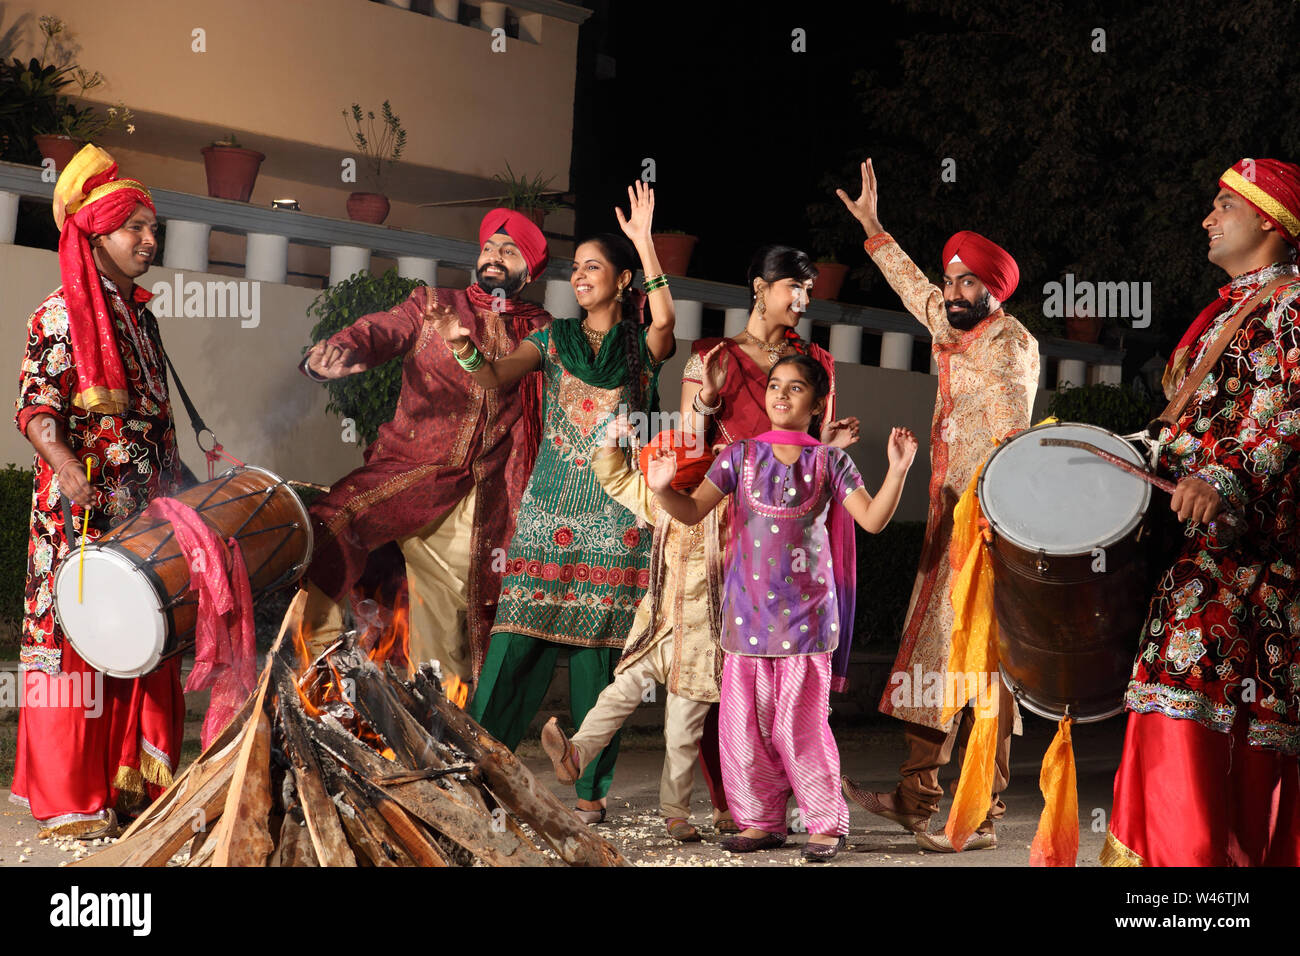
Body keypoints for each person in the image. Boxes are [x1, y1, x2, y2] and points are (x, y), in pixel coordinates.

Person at [434, 183, 675, 824]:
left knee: (599, 658)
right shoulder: (552, 339)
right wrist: (461, 345)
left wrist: (647, 244)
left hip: (614, 519)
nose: (579, 276)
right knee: (514, 643)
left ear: (623, 280)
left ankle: (590, 793)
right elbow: (491, 376)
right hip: (547, 512)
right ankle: (478, 771)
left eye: (593, 266)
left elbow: (666, 324)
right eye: (576, 268)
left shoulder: (637, 352)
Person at [835, 158, 1039, 851]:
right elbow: (915, 290)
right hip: (946, 529)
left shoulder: (1013, 346)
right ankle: (916, 800)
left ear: (994, 294)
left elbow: (1012, 443)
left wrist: (992, 530)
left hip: (991, 535)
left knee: (986, 671)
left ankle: (980, 814)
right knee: (928, 658)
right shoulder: (954, 324)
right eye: (951, 281)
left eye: (967, 283)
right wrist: (874, 229)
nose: (952, 292)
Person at [1102, 158, 1300, 867]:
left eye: (1223, 205)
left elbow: (1283, 414)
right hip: (1204, 551)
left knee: (1203, 712)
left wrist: (1226, 482)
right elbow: (1192, 428)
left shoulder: (1292, 305)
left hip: (1256, 559)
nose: (1206, 218)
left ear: (1269, 220)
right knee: (1178, 700)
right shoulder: (1230, 311)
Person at [642, 354, 918, 861]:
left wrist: (898, 472)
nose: (781, 395)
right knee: (743, 726)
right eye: (774, 386)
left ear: (816, 405)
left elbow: (874, 521)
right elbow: (690, 512)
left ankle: (824, 823)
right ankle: (760, 821)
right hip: (746, 621)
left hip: (808, 623)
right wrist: (662, 491)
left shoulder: (830, 461)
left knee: (801, 724)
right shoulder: (738, 456)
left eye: (795, 388)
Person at [298, 208, 551, 693]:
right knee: (329, 525)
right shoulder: (435, 303)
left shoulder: (542, 330)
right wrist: (337, 351)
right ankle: (327, 674)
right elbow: (379, 330)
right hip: (406, 474)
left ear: (529, 269)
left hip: (478, 499)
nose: (494, 257)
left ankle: (438, 740)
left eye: (509, 250)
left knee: (446, 635)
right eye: (489, 248)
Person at [10, 145, 186, 838]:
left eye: (152, 228)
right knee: (78, 638)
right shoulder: (57, 314)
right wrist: (66, 464)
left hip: (141, 514)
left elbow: (153, 418)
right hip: (76, 513)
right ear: (96, 235)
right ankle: (68, 798)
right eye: (135, 228)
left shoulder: (140, 319)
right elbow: (35, 405)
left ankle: (130, 788)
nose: (149, 241)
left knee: (140, 634)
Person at [674, 245, 855, 835]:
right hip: (726, 517)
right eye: (792, 288)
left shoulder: (815, 362)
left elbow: (819, 448)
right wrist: (706, 399)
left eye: (808, 291)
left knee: (795, 698)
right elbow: (684, 438)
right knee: (727, 677)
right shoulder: (713, 357)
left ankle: (815, 815)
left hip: (795, 537)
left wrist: (832, 445)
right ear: (759, 286)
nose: (802, 301)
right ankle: (739, 805)